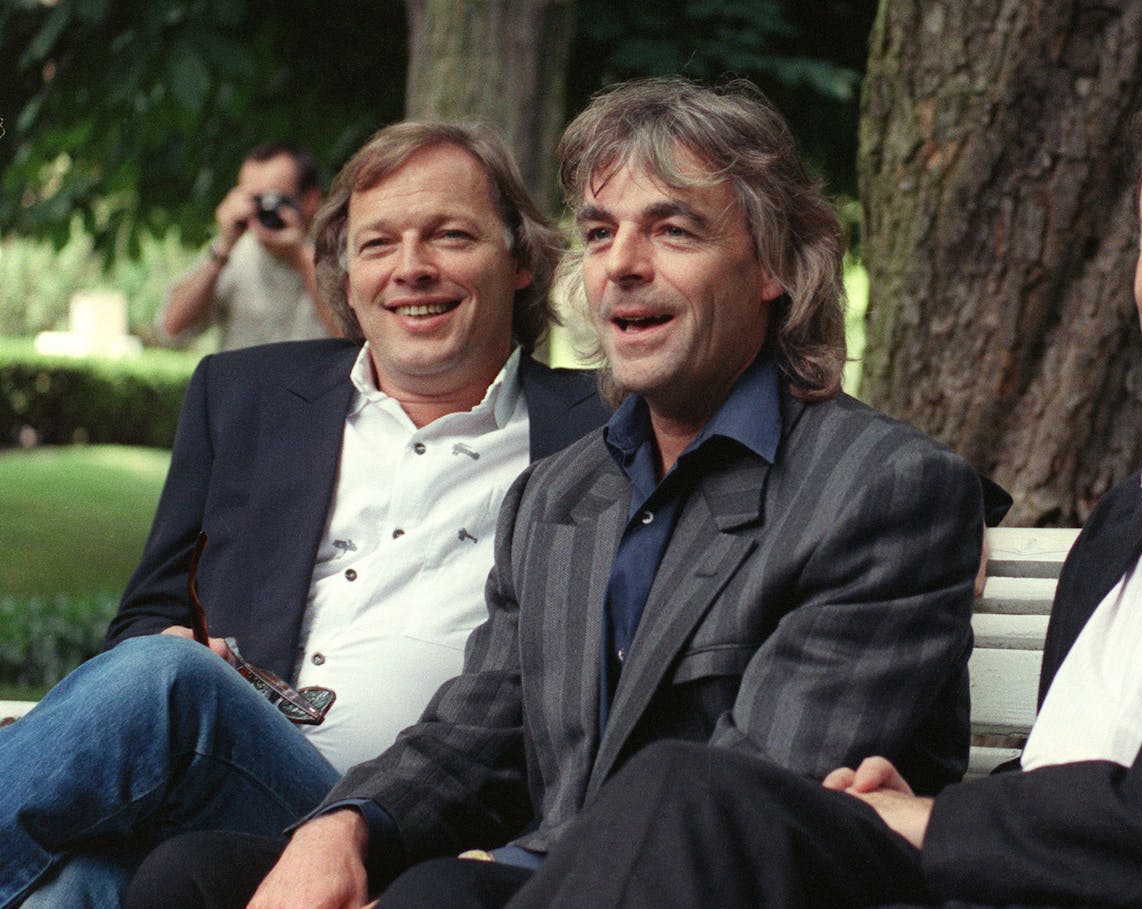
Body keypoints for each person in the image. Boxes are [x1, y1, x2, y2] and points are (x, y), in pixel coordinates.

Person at [499, 64, 1142, 909]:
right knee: (693, 806)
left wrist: (946, 824)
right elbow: (1085, 776)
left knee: (684, 801)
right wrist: (933, 803)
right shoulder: (1140, 517)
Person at [126, 76, 991, 909]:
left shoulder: (885, 491)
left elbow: (741, 799)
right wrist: (349, 827)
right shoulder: (559, 493)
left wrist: (479, 864)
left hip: (712, 879)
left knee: (441, 893)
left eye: (673, 231)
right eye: (602, 230)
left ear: (772, 265)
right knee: (193, 878)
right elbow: (481, 730)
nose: (623, 264)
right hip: (534, 862)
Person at [0, 122, 608, 909]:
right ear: (346, 275)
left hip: (419, 829)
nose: (411, 268)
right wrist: (179, 641)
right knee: (77, 883)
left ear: (522, 260)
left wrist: (169, 669)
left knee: (167, 685)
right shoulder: (243, 395)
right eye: (377, 243)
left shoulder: (601, 434)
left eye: (450, 236)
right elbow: (148, 617)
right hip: (226, 794)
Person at [159, 141, 339, 349]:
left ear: (310, 200)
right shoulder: (234, 252)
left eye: (273, 199)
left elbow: (354, 340)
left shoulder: (342, 250)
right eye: (254, 199)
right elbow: (172, 329)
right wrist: (223, 246)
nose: (263, 210)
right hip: (245, 382)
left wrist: (301, 256)